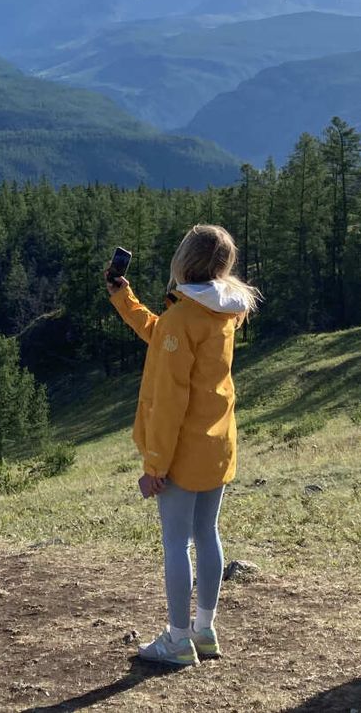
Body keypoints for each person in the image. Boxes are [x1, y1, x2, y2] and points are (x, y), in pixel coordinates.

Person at [106, 224, 260, 667]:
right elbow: (164, 336)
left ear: (184, 261)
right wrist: (125, 299)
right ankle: (204, 630)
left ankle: (177, 640)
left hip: (182, 451)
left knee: (176, 542)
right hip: (218, 443)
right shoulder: (223, 311)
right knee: (207, 533)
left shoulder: (182, 317)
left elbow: (170, 399)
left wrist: (154, 465)